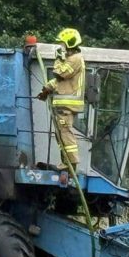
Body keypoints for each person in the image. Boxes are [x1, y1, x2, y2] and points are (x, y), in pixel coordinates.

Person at [37, 28, 86, 169]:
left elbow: (60, 73)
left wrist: (58, 58)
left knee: (65, 132)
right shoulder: (71, 60)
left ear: (70, 44)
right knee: (60, 134)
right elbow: (59, 83)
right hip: (62, 105)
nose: (62, 48)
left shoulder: (75, 59)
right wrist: (46, 90)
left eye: (63, 45)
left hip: (67, 104)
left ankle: (71, 164)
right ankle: (66, 161)